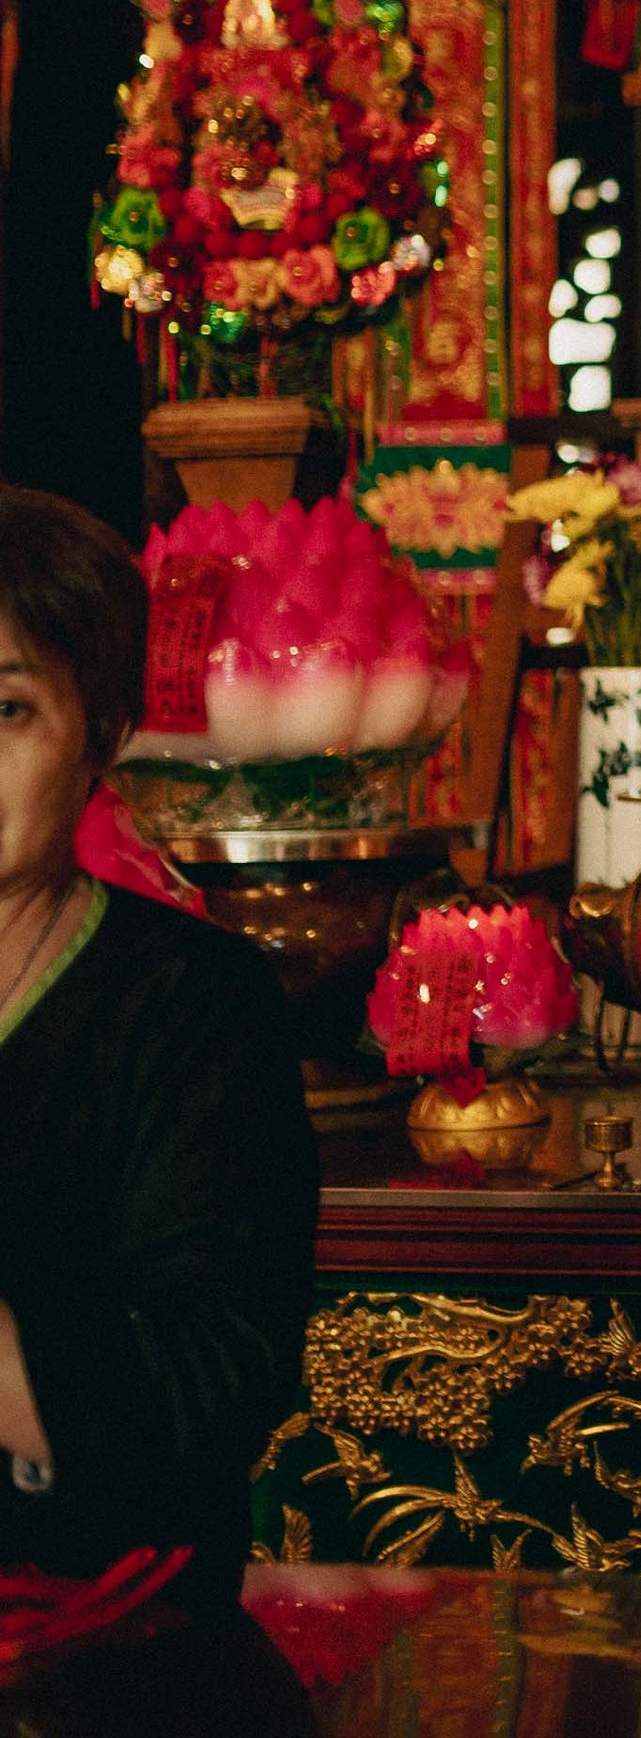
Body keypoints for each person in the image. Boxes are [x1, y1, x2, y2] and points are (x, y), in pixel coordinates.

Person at [0, 486, 316, 1599]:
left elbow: (212, 1383)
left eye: (7, 711)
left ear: (104, 735)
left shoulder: (195, 1003)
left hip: (110, 1641)